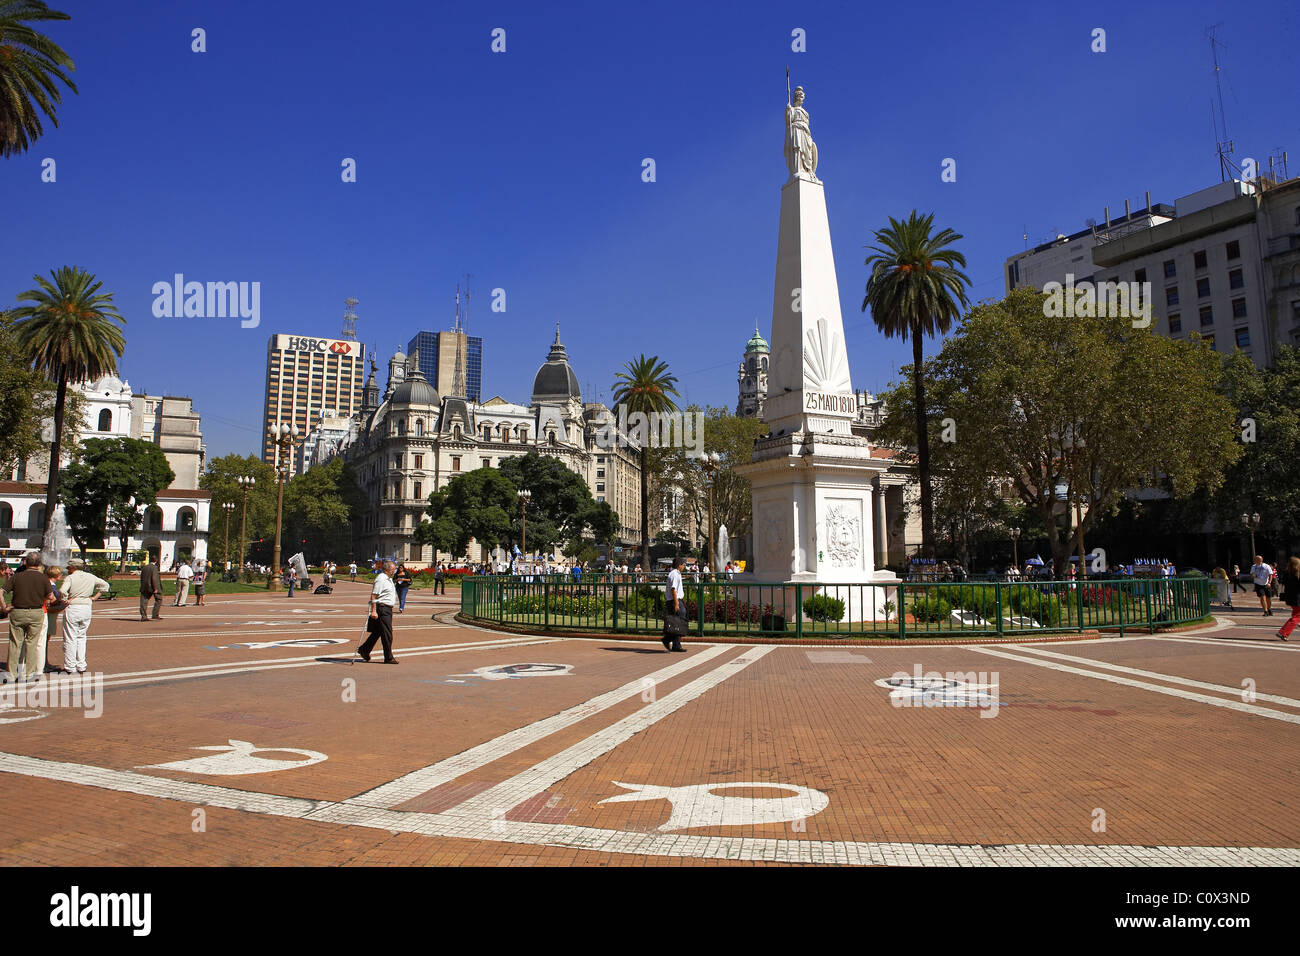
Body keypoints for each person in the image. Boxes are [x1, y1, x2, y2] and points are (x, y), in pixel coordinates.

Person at [2, 553, 49, 683]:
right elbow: (50, 596)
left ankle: (11, 674)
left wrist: (4, 607)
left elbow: (1, 591)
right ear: (39, 564)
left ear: (25, 563)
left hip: (18, 611)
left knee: (14, 644)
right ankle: (29, 674)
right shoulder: (43, 578)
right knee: (32, 643)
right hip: (36, 611)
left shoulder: (17, 577)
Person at [58, 557, 109, 674]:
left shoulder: (70, 578)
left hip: (74, 607)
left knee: (70, 637)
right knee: (81, 636)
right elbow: (105, 585)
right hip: (86, 607)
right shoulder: (90, 577)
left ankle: (70, 666)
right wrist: (94, 597)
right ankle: (81, 664)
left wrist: (65, 600)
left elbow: (62, 591)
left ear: (73, 567)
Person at [357, 560, 398, 664]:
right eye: (393, 569)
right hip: (382, 608)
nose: (394, 571)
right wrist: (373, 611)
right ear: (387, 569)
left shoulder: (388, 579)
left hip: (386, 608)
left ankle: (364, 649)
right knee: (387, 633)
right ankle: (388, 657)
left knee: (378, 632)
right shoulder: (381, 579)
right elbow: (374, 595)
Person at [661, 555, 686, 653]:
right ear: (679, 565)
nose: (684, 567)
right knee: (678, 622)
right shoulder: (674, 574)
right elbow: (673, 589)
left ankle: (676, 644)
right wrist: (676, 603)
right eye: (683, 565)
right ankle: (669, 640)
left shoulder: (676, 573)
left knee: (677, 623)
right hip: (674, 600)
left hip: (675, 600)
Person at [1275, 556, 1300, 642]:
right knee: (1297, 616)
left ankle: (1293, 626)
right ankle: (1283, 632)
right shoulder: (1297, 574)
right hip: (1298, 598)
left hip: (1290, 597)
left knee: (1296, 614)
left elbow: (1284, 583)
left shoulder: (1287, 573)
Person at [139, 556, 163, 621]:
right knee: (159, 599)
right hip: (153, 586)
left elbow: (142, 577)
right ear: (156, 560)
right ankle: (155, 614)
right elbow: (154, 578)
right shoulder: (154, 568)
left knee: (143, 602)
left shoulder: (145, 567)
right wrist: (155, 588)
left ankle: (143, 616)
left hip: (145, 586)